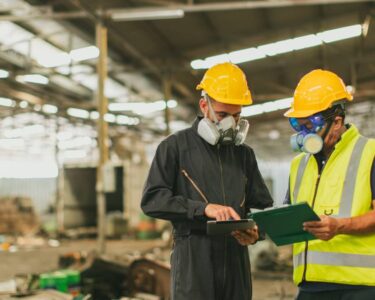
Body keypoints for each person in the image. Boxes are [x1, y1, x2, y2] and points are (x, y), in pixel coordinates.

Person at [141, 62, 273, 300]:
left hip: (236, 264)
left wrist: (256, 231)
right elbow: (152, 200)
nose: (230, 124)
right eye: (223, 115)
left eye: (237, 115)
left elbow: (263, 207)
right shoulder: (174, 148)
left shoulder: (244, 155)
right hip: (194, 262)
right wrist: (203, 209)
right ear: (204, 106)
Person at [284, 69, 375, 300]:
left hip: (361, 286)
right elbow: (288, 217)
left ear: (337, 122)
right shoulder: (298, 165)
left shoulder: (370, 153)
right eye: (299, 125)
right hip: (310, 285)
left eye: (310, 126)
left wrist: (340, 225)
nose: (304, 134)